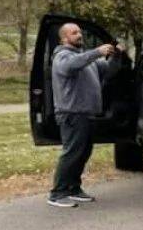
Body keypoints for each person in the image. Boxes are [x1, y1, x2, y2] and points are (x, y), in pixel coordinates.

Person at [47, 23, 119, 208]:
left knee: (83, 152)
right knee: (71, 152)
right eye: (74, 32)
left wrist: (116, 55)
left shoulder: (85, 58)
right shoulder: (62, 56)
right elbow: (70, 67)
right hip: (72, 113)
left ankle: (73, 188)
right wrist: (97, 52)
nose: (79, 35)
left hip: (87, 114)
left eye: (79, 32)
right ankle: (57, 193)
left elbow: (109, 70)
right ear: (64, 38)